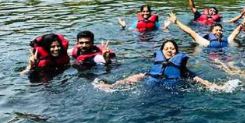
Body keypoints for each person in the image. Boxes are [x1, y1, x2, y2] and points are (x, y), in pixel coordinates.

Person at [95, 40, 225, 89]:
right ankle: (110, 86)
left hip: (173, 92)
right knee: (136, 77)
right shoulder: (156, 66)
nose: (169, 50)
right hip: (151, 87)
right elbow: (137, 77)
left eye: (172, 48)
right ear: (161, 51)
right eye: (166, 48)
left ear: (177, 52)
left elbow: (198, 79)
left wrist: (214, 86)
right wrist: (113, 84)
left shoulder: (183, 70)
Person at [168, 12, 244, 49]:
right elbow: (191, 32)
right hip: (214, 59)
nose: (218, 32)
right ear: (211, 32)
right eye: (216, 30)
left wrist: (241, 25)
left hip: (226, 57)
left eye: (220, 30)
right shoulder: (206, 43)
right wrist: (176, 22)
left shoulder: (226, 40)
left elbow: (235, 33)